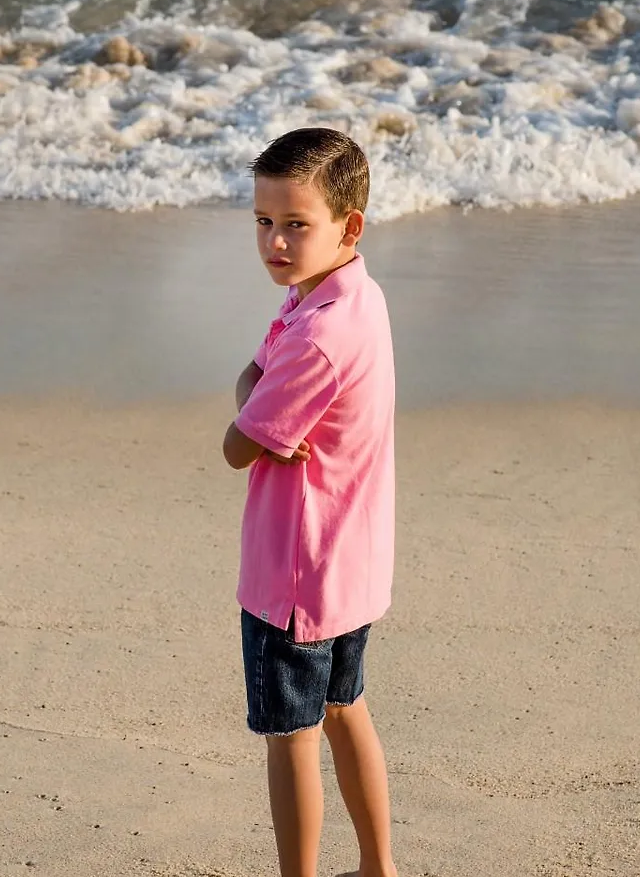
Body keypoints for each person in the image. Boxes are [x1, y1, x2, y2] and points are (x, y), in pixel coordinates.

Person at [222, 127, 398, 877]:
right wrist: (256, 412)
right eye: (264, 222)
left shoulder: (315, 335)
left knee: (290, 739)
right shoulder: (351, 295)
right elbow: (252, 382)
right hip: (349, 568)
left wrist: (251, 420)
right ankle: (378, 866)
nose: (277, 242)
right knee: (343, 709)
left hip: (293, 579)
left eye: (297, 224)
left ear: (347, 226)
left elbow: (237, 443)